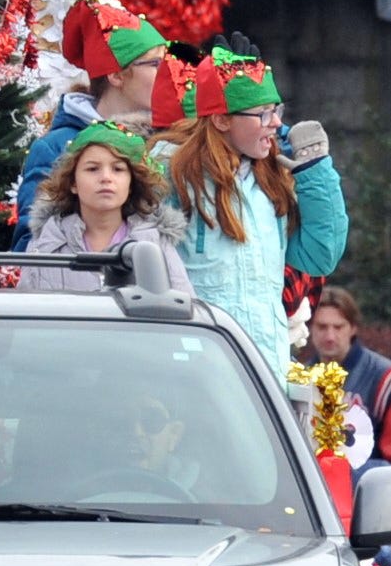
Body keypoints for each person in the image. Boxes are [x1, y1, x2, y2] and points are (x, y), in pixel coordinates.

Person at [153, 35, 347, 379]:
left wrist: (314, 169)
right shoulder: (174, 171)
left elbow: (321, 256)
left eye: (277, 110)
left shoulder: (274, 176)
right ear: (222, 120)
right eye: (263, 114)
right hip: (196, 369)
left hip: (265, 369)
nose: (275, 123)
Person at [11, 0, 168, 250]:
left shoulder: (166, 141)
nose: (167, 73)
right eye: (155, 64)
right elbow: (30, 245)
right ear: (116, 75)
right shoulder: (55, 148)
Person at [17, 120, 193, 295]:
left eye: (118, 169)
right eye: (93, 169)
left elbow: (184, 309)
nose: (106, 178)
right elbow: (25, 314)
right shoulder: (48, 242)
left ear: (131, 183)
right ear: (73, 183)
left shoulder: (154, 242)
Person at [308, 285, 391, 481]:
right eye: (321, 326)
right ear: (310, 328)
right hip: (312, 489)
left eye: (338, 327)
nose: (329, 336)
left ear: (353, 328)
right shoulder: (300, 377)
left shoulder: (383, 377)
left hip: (370, 493)